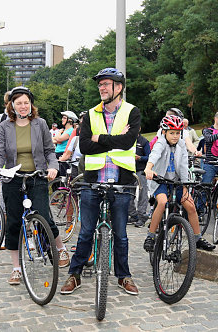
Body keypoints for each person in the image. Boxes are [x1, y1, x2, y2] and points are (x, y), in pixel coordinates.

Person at [60, 67, 140, 296]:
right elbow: (84, 145)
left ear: (119, 87)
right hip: (93, 179)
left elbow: (127, 142)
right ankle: (74, 275)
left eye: (106, 84)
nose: (102, 88)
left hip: (122, 181)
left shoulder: (132, 112)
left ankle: (124, 276)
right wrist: (113, 140)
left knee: (121, 234)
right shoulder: (92, 113)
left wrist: (100, 138)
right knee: (85, 232)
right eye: (100, 84)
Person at [0, 86, 70, 286]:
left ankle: (60, 248)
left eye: (26, 102)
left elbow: (49, 150)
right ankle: (16, 268)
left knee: (43, 213)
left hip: (37, 176)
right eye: (18, 103)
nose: (23, 106)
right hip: (13, 177)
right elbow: (0, 152)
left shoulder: (40, 124)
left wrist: (53, 167)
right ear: (12, 106)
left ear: (31, 104)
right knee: (14, 223)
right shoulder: (5, 126)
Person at [143, 115, 216, 252]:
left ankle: (197, 238)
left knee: (190, 205)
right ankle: (151, 236)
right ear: (164, 132)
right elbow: (154, 155)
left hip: (176, 181)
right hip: (161, 181)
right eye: (172, 133)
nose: (175, 136)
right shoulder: (161, 143)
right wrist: (148, 168)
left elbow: (183, 165)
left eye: (178, 133)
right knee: (163, 202)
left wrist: (185, 184)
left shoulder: (181, 144)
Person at [202, 112, 218, 184]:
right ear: (215, 119)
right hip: (210, 163)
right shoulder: (207, 130)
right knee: (206, 185)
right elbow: (209, 139)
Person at [53, 111, 78, 175]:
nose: (62, 119)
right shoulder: (64, 131)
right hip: (58, 153)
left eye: (64, 118)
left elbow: (59, 139)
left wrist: (59, 133)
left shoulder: (70, 130)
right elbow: (53, 140)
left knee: (62, 175)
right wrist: (58, 139)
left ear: (69, 120)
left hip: (63, 154)